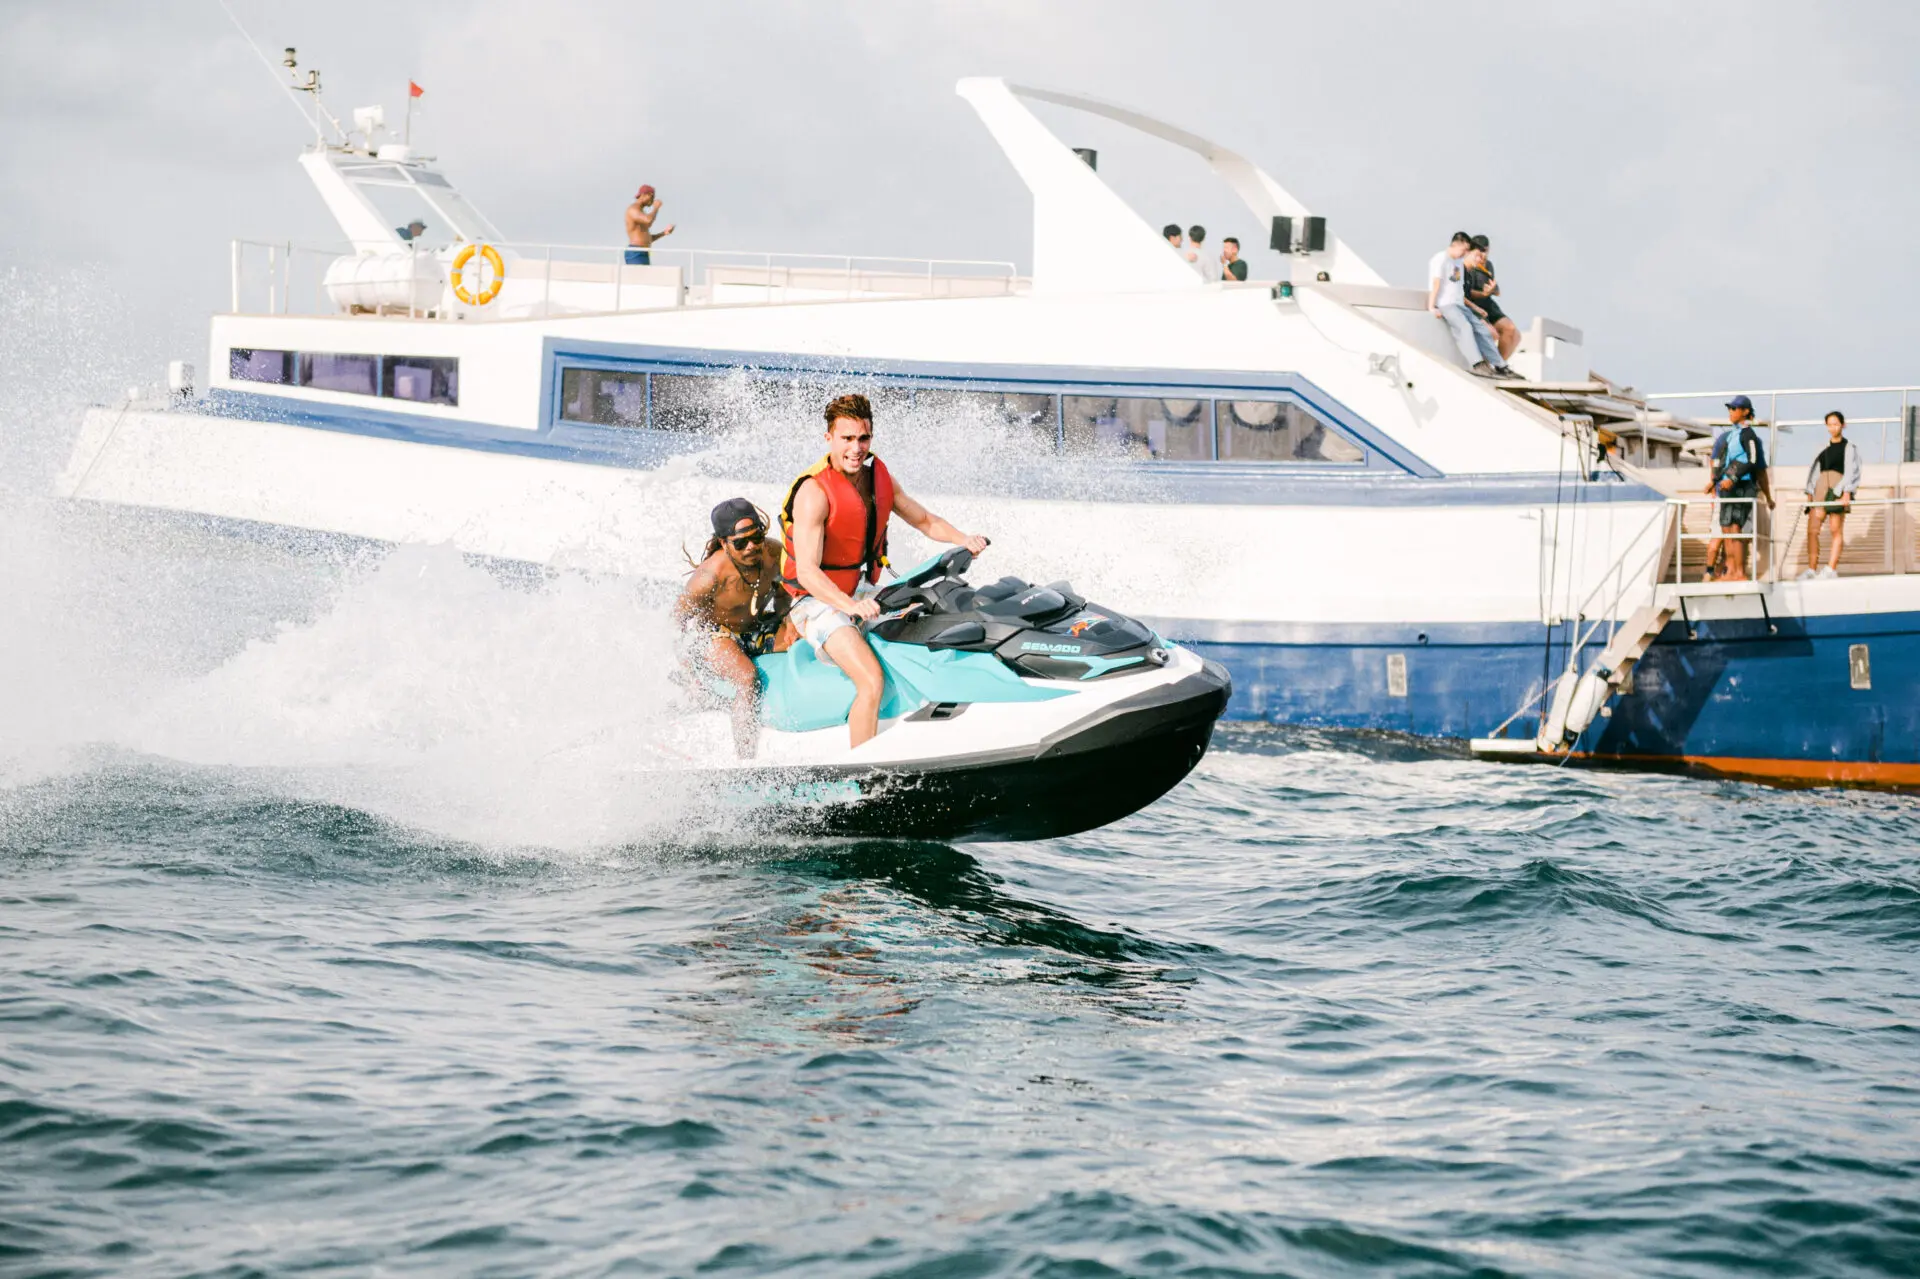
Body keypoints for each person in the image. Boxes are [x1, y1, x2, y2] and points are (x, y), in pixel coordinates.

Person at [781, 393, 989, 749]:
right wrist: (850, 606)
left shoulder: (878, 478)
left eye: (863, 438)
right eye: (847, 438)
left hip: (858, 590)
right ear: (829, 438)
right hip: (816, 603)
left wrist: (964, 539)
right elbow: (809, 574)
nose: (856, 448)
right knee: (871, 680)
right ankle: (864, 770)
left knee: (933, 619)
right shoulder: (814, 492)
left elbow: (925, 520)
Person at [674, 498, 792, 756]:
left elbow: (785, 592)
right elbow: (676, 623)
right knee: (746, 678)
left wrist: (787, 620)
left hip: (756, 626)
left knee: (803, 638)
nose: (752, 547)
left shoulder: (774, 553)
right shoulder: (710, 575)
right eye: (740, 543)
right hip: (715, 634)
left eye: (757, 537)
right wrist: (688, 672)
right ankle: (745, 758)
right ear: (724, 543)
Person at [1702, 395, 1772, 582]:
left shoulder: (1749, 434)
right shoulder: (1731, 435)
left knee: (1736, 529)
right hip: (1727, 487)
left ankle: (1739, 572)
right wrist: (1714, 482)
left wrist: (1733, 479)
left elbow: (1752, 461)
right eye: (1730, 408)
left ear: (1745, 412)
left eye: (1734, 408)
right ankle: (1730, 570)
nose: (1731, 412)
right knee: (1726, 528)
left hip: (1742, 485)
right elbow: (1723, 462)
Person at [1427, 231, 1508, 378]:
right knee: (1464, 328)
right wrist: (1432, 307)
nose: (1465, 254)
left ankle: (1500, 365)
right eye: (1464, 250)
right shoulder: (1440, 259)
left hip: (1460, 304)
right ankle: (1477, 364)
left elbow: (1458, 288)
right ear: (1456, 245)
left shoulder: (1458, 263)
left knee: (1482, 330)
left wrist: (1475, 308)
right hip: (1446, 304)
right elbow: (1436, 284)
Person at [1800, 410, 1862, 580]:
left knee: (1836, 529)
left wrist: (1847, 492)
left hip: (1839, 486)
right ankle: (1811, 569)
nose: (1833, 427)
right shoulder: (1823, 447)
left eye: (1836, 424)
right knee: (1812, 529)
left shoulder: (1849, 447)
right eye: (1830, 424)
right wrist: (1810, 492)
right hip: (1821, 487)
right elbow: (1815, 471)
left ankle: (1831, 568)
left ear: (1843, 425)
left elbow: (1852, 471)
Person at [1465, 235, 1520, 363]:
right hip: (1473, 305)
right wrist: (1483, 294)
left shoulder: (1488, 265)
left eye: (1486, 251)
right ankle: (1490, 364)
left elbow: (1496, 290)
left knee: (1511, 330)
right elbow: (1466, 293)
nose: (1483, 256)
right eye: (1480, 252)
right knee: (1491, 334)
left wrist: (1492, 290)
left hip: (1488, 304)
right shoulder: (1467, 266)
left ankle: (1499, 365)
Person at [624, 185, 675, 265]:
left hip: (644, 253)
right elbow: (649, 221)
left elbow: (647, 238)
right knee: (639, 274)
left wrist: (664, 233)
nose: (653, 200)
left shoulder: (641, 213)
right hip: (636, 252)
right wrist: (656, 208)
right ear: (643, 195)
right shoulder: (633, 209)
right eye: (651, 196)